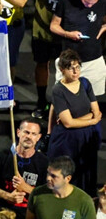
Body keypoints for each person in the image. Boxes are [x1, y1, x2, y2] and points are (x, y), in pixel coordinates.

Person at [25, 0, 86, 118]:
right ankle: (41, 102)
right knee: (41, 64)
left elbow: (84, 4)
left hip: (64, 32)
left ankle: (63, 103)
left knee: (65, 68)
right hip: (42, 29)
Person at [46, 50, 102, 195]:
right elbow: (68, 123)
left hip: (87, 137)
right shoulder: (58, 90)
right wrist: (91, 119)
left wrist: (89, 119)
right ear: (62, 70)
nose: (75, 71)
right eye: (71, 67)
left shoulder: (85, 83)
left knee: (87, 172)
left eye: (77, 67)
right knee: (68, 172)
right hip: (68, 141)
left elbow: (96, 112)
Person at [0, 117, 48, 219]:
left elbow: (48, 196)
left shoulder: (44, 163)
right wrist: (7, 196)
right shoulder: (2, 157)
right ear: (18, 132)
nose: (29, 137)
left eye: (33, 134)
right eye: (26, 132)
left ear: (38, 137)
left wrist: (25, 187)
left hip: (30, 214)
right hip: (5, 212)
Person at [50, 0, 106, 97]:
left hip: (93, 60)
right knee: (64, 96)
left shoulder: (102, 3)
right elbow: (54, 25)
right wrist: (67, 34)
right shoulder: (66, 2)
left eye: (92, 4)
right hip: (69, 60)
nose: (89, 6)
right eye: (86, 2)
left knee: (93, 98)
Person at [24, 157, 97, 219]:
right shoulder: (37, 193)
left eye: (53, 176)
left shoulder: (84, 201)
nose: (48, 178)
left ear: (68, 178)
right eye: (48, 173)